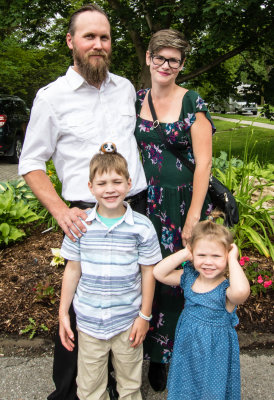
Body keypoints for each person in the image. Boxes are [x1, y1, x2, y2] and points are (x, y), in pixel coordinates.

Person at [18, 4, 147, 400]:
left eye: (104, 37)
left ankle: (122, 386)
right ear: (71, 42)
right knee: (81, 309)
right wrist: (60, 211)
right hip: (83, 214)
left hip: (132, 207)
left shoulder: (126, 88)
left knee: (129, 299)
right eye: (89, 36)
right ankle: (70, 393)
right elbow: (30, 162)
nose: (98, 44)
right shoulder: (52, 97)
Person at [134, 29, 215, 391]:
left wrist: (194, 214)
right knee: (141, 275)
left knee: (174, 281)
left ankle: (162, 358)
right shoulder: (135, 100)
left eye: (174, 60)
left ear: (181, 66)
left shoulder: (192, 102)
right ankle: (133, 348)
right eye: (160, 57)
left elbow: (204, 163)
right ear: (149, 58)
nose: (166, 65)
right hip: (141, 204)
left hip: (181, 204)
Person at [59, 145, 162, 400]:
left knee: (129, 386)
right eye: (102, 182)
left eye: (117, 181)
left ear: (129, 183)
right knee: (89, 389)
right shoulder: (80, 225)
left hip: (128, 322)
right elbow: (72, 270)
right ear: (91, 187)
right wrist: (63, 312)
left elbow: (148, 273)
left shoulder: (142, 227)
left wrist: (144, 316)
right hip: (89, 323)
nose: (110, 189)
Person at [153, 217, 250, 399]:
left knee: (211, 390)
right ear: (193, 254)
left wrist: (233, 259)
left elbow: (241, 292)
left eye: (216, 256)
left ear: (226, 255)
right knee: (186, 386)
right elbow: (159, 273)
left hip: (215, 353)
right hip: (187, 349)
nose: (208, 262)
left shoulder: (226, 290)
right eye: (202, 255)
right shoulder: (189, 277)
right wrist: (185, 253)